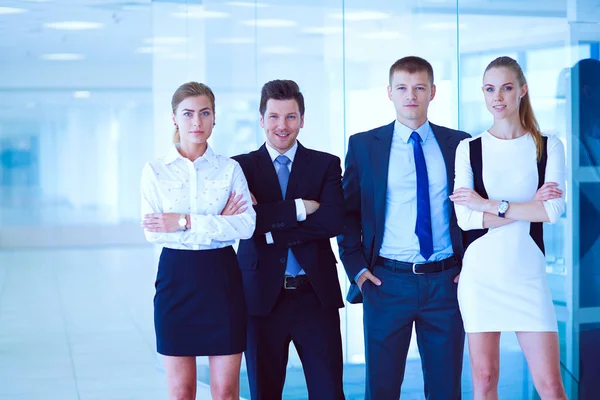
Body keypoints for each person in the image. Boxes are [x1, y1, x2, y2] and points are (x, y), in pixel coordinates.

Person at [338, 56, 469, 399]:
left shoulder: (460, 144)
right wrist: (357, 269)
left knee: (446, 389)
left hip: (445, 283)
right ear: (390, 93)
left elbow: (472, 209)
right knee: (381, 389)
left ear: (433, 92)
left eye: (419, 88)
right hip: (386, 282)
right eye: (402, 88)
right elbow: (347, 211)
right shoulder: (364, 146)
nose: (411, 95)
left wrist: (469, 263)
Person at [450, 56, 567, 400]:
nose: (497, 97)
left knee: (550, 385)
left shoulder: (548, 145)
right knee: (484, 381)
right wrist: (529, 206)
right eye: (489, 89)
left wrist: (489, 205)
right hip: (480, 278)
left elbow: (553, 210)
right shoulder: (468, 149)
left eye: (506, 88)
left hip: (528, 275)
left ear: (522, 91)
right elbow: (464, 219)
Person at [140, 82, 256, 400]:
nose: (197, 122)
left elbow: (245, 226)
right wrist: (220, 220)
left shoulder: (230, 169)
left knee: (226, 391)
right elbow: (154, 232)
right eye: (188, 113)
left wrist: (182, 221)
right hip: (176, 279)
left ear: (214, 118)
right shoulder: (155, 171)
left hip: (222, 278)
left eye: (205, 113)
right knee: (181, 391)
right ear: (174, 118)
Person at [233, 79, 346, 399]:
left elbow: (332, 221)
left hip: (315, 297)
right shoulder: (240, 168)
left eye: (291, 117)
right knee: (264, 391)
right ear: (261, 119)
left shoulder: (325, 164)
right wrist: (299, 208)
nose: (282, 126)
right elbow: (245, 224)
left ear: (302, 119)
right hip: (261, 300)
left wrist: (270, 230)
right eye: (274, 117)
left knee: (328, 391)